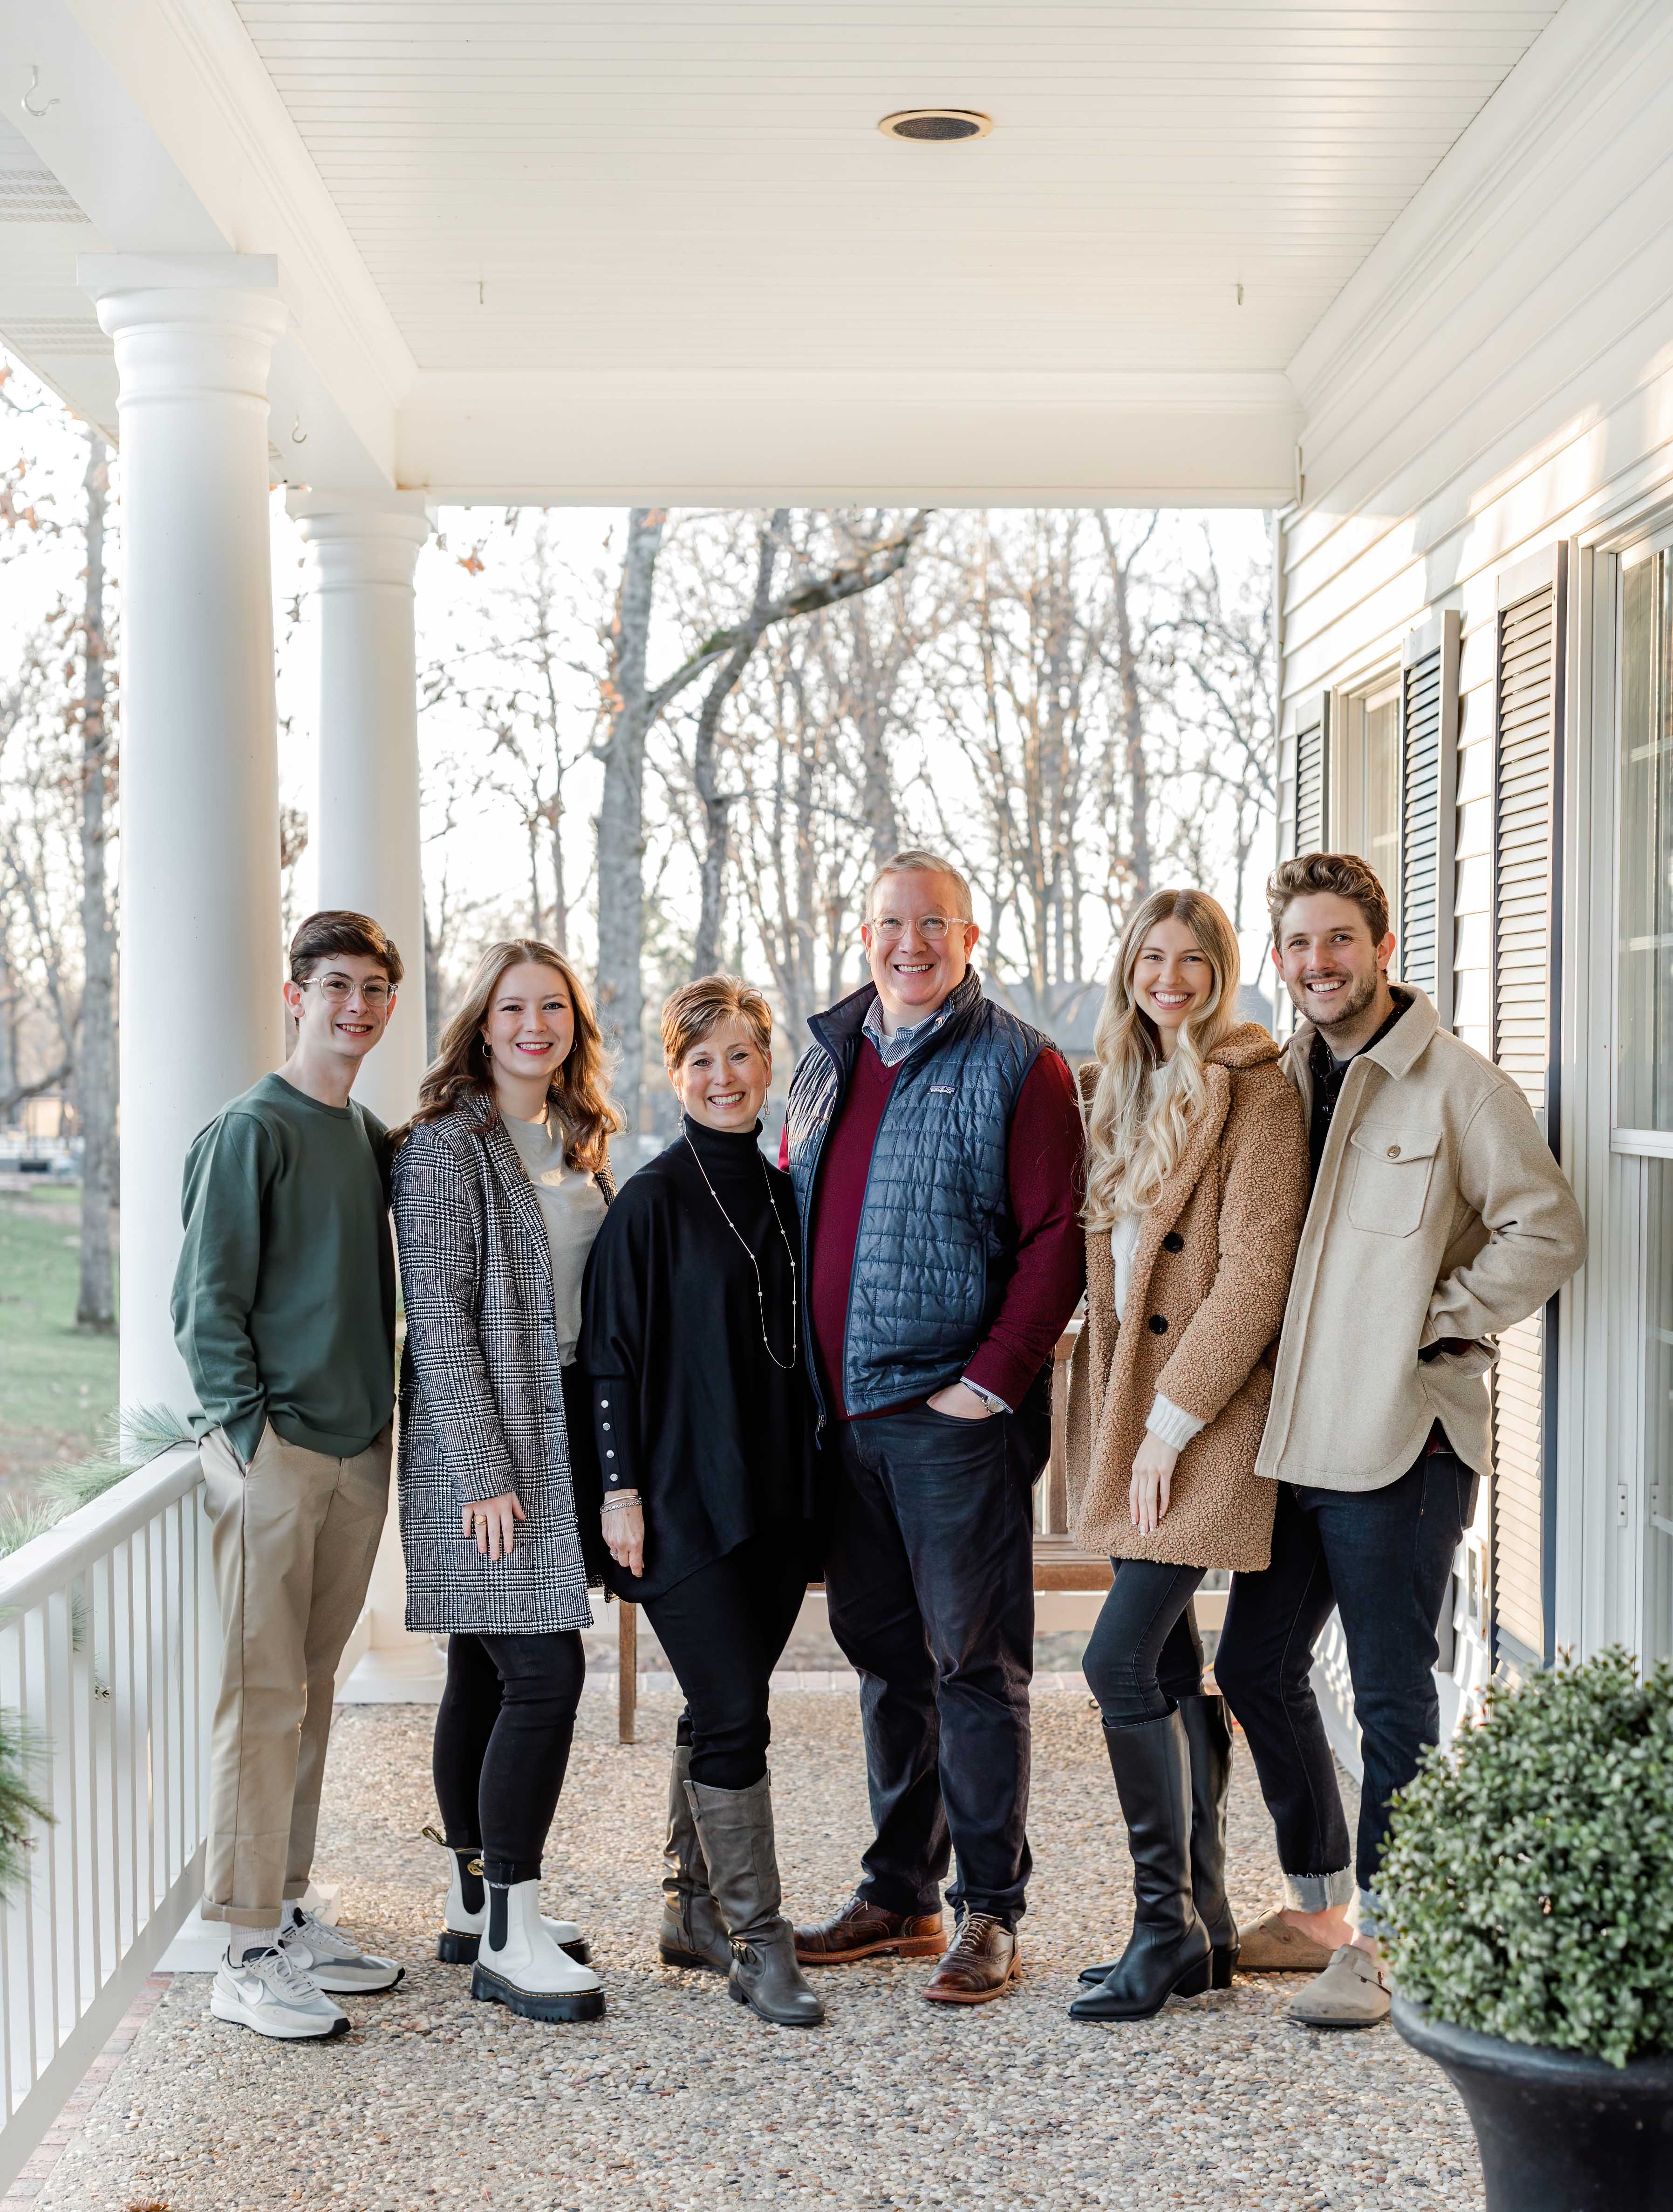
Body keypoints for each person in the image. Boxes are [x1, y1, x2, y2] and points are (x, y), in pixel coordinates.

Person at [1214, 852, 1587, 2028]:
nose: (1317, 964)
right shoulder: (1276, 1081)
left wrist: (1432, 1316)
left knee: (1386, 1693)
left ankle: (1389, 1940)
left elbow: (1546, 1228)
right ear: (1279, 962)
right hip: (1293, 1436)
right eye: (1297, 945)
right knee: (1252, 1668)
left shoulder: (1455, 1087)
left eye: (1339, 941)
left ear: (1382, 949)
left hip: (1403, 1440)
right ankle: (1320, 1904)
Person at [784, 850, 1085, 2006]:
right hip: (842, 1423)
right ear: (861, 934)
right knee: (883, 1656)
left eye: (932, 925)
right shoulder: (830, 1057)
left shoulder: (1021, 1063)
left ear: (970, 937)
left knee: (972, 1663)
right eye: (889, 924)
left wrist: (990, 1384)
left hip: (949, 1419)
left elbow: (1055, 1237)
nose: (908, 944)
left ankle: (990, 1912)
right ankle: (901, 1891)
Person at [1063, 888, 1308, 2021]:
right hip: (1127, 1418)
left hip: (1200, 1421)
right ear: (1130, 969)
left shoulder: (1255, 1091)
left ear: (1222, 969)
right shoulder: (1117, 1086)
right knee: (1162, 1665)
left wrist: (1169, 1423)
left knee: (1113, 1665)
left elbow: (1255, 1274)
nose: (1169, 977)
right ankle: (1203, 1927)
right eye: (1150, 958)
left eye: (1191, 959)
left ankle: (1157, 1928)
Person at [173, 910, 408, 2042]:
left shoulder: (364, 1132)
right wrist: (254, 1439)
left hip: (361, 1451)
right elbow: (205, 1305)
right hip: (280, 1456)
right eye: (334, 987)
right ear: (295, 994)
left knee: (312, 1691)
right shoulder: (249, 1129)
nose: (354, 1006)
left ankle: (288, 1908)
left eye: (372, 988)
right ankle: (240, 1947)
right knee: (260, 1694)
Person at [579, 975, 823, 2028]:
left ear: (767, 1065)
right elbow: (607, 1360)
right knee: (736, 1712)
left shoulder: (785, 1191)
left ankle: (689, 1911)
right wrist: (617, 1489)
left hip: (773, 1496)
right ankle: (758, 1939)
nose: (723, 1076)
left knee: (717, 1704)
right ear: (672, 1075)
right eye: (700, 1059)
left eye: (740, 1054)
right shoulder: (651, 1199)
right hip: (679, 1499)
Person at [390, 940, 617, 2026]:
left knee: (481, 1675)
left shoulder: (573, 1139)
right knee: (544, 1676)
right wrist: (482, 1471)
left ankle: (470, 1893)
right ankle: (510, 1933)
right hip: (481, 1451)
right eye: (514, 1007)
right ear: (481, 1023)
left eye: (554, 1007)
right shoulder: (446, 1146)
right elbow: (436, 1318)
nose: (536, 1024)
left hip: (557, 1427)